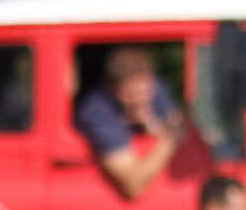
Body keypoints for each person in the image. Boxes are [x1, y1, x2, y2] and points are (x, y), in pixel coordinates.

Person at [76, 48, 184, 200]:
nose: (140, 100)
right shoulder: (96, 111)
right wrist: (168, 141)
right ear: (112, 90)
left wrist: (155, 125)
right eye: (130, 93)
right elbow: (133, 184)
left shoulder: (156, 88)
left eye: (145, 91)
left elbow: (179, 124)